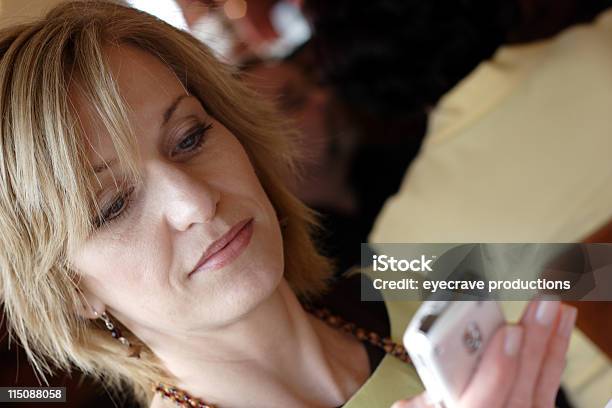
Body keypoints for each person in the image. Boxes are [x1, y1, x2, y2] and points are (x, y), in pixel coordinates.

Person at [0, 2, 575, 407]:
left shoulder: (401, 272)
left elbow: (590, 273)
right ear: (69, 288)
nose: (195, 202)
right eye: (112, 207)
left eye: (190, 138)